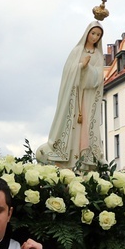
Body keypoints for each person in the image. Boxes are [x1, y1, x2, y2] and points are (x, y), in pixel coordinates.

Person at [36, 21, 105, 168]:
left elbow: (99, 77)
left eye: (98, 35)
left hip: (88, 97)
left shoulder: (98, 55)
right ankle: (67, 157)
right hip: (74, 95)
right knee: (71, 124)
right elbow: (68, 72)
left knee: (86, 127)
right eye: (93, 33)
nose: (95, 37)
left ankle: (84, 159)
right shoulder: (77, 51)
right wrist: (81, 66)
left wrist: (88, 70)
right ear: (87, 33)